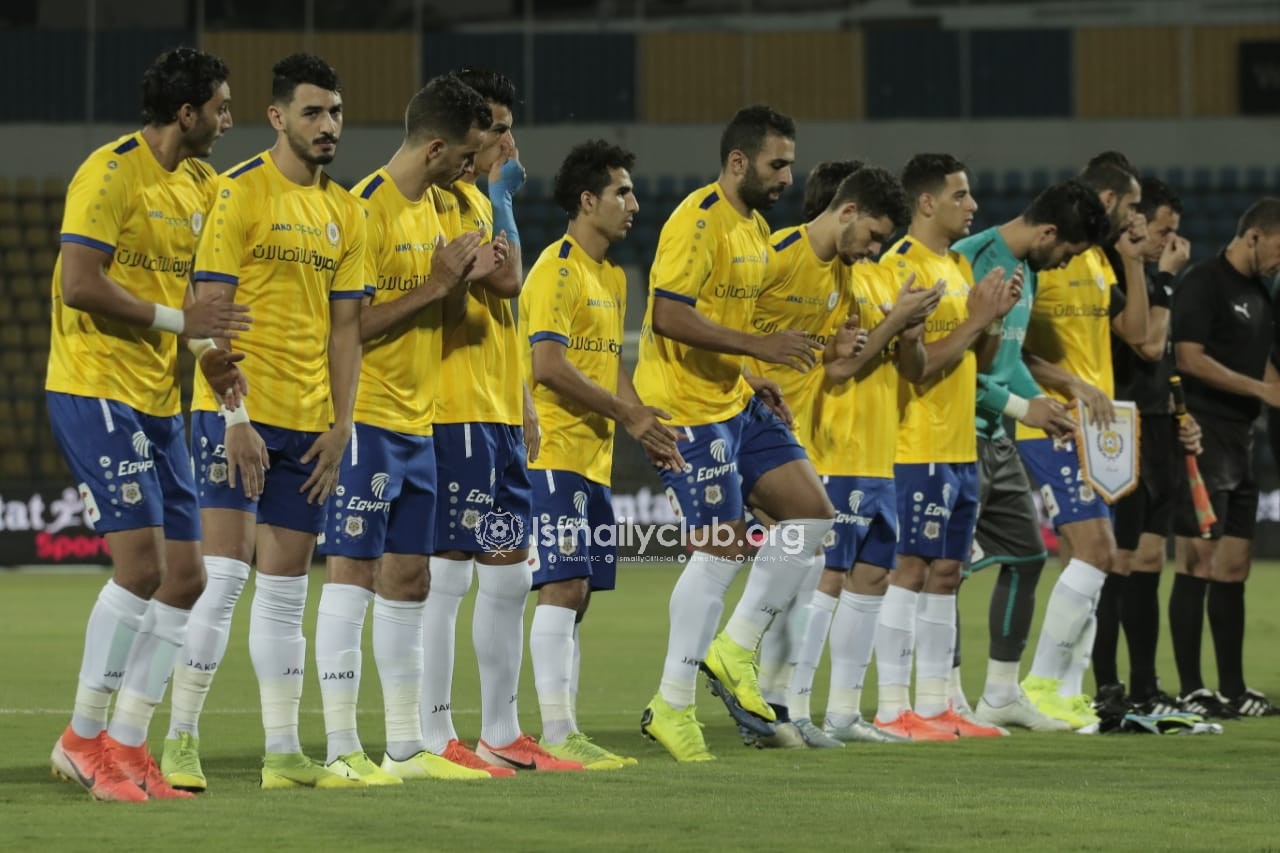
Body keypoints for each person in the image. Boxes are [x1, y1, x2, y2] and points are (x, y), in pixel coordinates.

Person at [162, 53, 368, 791]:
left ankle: (282, 752)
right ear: (278, 117)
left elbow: (347, 332)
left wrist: (342, 427)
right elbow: (208, 312)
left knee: (285, 595)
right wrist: (235, 416)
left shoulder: (348, 212)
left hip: (309, 425)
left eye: (335, 112)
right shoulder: (238, 191)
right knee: (220, 579)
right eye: (313, 112)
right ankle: (179, 739)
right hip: (236, 417)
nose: (327, 125)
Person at [47, 47, 242, 803]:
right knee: (140, 568)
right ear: (186, 114)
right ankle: (81, 738)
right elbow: (79, 283)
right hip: (95, 386)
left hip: (159, 400)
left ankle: (127, 745)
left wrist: (207, 356)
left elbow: (188, 298)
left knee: (187, 577)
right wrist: (181, 323)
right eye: (220, 108)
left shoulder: (201, 185)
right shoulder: (109, 173)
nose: (227, 122)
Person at [312, 75, 502, 785]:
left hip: (419, 423)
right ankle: (339, 747)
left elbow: (439, 319)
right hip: (367, 419)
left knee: (410, 579)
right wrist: (435, 284)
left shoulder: (437, 212)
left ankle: (404, 746)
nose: (471, 167)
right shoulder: (365, 208)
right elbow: (347, 328)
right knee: (352, 575)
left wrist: (465, 280)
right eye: (466, 155)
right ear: (434, 148)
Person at [636, 104, 837, 762]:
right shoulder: (697, 220)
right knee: (722, 546)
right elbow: (667, 315)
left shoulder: (755, 228)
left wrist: (752, 374)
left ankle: (734, 647)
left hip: (734, 399)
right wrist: (759, 347)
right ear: (738, 161)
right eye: (778, 164)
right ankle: (672, 704)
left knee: (811, 514)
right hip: (685, 409)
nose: (787, 177)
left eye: (791, 165)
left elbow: (726, 324)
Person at [422, 68, 580, 773]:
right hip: (453, 409)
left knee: (510, 575)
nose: (509, 143)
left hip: (495, 414)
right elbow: (508, 279)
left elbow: (503, 316)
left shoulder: (476, 204)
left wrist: (522, 404)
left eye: (511, 128)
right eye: (498, 128)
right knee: (449, 575)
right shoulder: (442, 202)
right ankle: (434, 734)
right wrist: (502, 198)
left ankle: (501, 731)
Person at [745, 161, 934, 748]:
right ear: (841, 207)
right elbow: (840, 366)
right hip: (821, 444)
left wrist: (905, 330)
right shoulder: (802, 262)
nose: (875, 246)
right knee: (808, 578)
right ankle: (781, 705)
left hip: (865, 447)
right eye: (874, 233)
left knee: (859, 577)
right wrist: (891, 324)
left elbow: (881, 363)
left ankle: (825, 710)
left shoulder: (874, 275)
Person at [523, 139, 683, 769]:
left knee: (580, 592)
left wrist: (642, 423)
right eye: (622, 193)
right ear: (587, 200)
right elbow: (547, 364)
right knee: (562, 585)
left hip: (593, 460)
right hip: (552, 453)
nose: (634, 205)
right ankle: (556, 732)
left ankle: (565, 729)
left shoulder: (612, 277)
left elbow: (610, 364)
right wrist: (628, 414)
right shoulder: (556, 270)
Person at [870, 154, 1020, 741]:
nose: (972, 206)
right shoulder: (899, 269)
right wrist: (975, 321)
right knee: (909, 569)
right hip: (916, 443)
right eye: (960, 195)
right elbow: (917, 367)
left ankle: (936, 706)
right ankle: (892, 708)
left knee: (949, 572)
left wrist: (993, 319)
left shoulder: (957, 265)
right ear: (927, 202)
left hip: (960, 445)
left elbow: (976, 360)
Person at [951, 180, 1109, 732]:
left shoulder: (1028, 270)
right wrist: (1025, 408)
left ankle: (1000, 694)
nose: (1064, 263)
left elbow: (1009, 358)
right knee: (944, 570)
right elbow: (955, 366)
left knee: (1025, 556)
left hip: (996, 435)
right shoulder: (970, 259)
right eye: (1067, 252)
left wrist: (1044, 402)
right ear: (1048, 233)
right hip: (955, 437)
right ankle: (944, 696)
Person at [1014, 157, 1150, 730]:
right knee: (1097, 551)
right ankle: (1041, 683)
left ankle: (1068, 692)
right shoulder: (1044, 259)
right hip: (1050, 422)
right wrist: (1069, 384)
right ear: (1109, 199)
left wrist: (1134, 261)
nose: (1137, 216)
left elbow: (1139, 336)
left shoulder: (1096, 259)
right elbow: (1010, 349)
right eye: (1133, 205)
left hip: (1099, 430)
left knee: (1088, 557)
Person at [1169, 198, 1280, 718]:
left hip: (1243, 439)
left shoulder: (1261, 293)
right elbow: (1188, 358)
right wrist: (1262, 389)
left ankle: (1234, 689)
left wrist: (1269, 390)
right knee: (1197, 559)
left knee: (1235, 565)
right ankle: (1193, 688)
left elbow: (1264, 365)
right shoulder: (1203, 282)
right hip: (1203, 434)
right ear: (1254, 235)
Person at [1099, 176, 1198, 715]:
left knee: (1151, 559)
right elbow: (1151, 345)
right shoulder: (1125, 276)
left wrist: (1183, 413)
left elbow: (1167, 362)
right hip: (1122, 425)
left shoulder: (1155, 281)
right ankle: (1106, 686)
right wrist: (1164, 279)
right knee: (1116, 560)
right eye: (1163, 231)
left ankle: (1144, 687)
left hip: (1160, 426)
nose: (1170, 243)